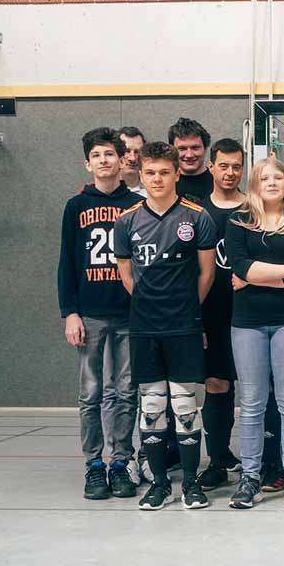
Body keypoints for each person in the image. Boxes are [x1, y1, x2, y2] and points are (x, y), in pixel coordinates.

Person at [113, 140, 216, 510]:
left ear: (176, 174)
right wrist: (150, 304)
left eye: (164, 172)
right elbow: (127, 275)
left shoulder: (196, 216)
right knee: (153, 405)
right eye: (150, 172)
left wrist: (185, 307)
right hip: (144, 327)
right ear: (141, 174)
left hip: (184, 325)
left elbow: (206, 273)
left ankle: (190, 483)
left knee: (186, 406)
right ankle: (159, 484)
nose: (157, 178)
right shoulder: (126, 221)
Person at [223, 158, 284, 510]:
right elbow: (239, 265)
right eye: (265, 177)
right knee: (251, 404)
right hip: (247, 322)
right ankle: (251, 478)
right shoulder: (238, 221)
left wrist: (255, 276)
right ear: (255, 184)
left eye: (278, 176)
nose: (272, 182)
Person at [59, 127, 141, 500]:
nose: (104, 161)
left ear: (122, 160)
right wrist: (69, 313)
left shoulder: (136, 205)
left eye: (111, 154)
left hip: (127, 313)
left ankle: (121, 462)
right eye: (97, 155)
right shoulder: (76, 206)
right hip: (89, 314)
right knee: (90, 393)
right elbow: (67, 263)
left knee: (125, 391)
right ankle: (94, 465)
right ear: (87, 162)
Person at [195, 138, 246, 491]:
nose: (230, 173)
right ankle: (218, 458)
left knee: (262, 389)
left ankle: (266, 460)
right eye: (223, 166)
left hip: (253, 313)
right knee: (217, 384)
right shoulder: (197, 212)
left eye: (236, 166)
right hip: (213, 314)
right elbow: (191, 272)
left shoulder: (254, 209)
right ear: (211, 167)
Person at [168, 117, 214, 202]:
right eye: (182, 148)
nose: (189, 155)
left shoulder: (219, 183)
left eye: (195, 148)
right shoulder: (165, 184)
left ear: (205, 148)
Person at [118, 126, 147, 196]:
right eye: (127, 151)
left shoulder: (153, 191)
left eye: (137, 152)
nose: (133, 158)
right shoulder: (105, 192)